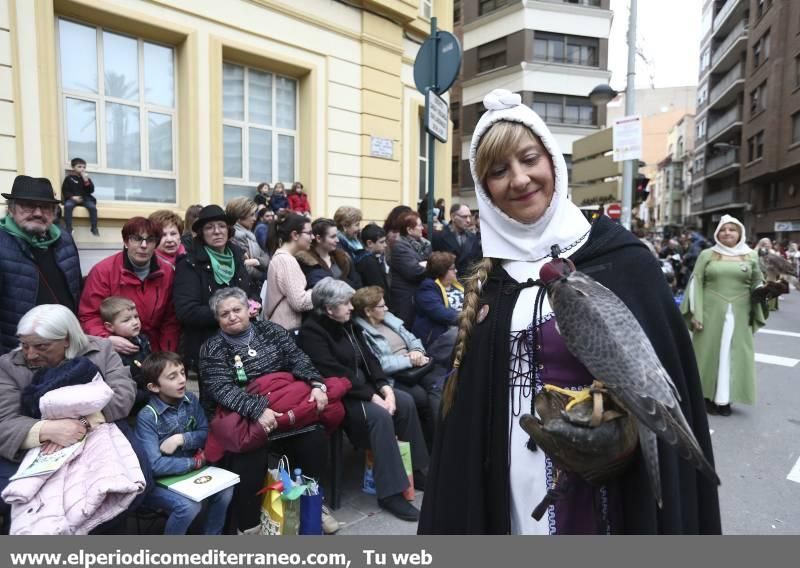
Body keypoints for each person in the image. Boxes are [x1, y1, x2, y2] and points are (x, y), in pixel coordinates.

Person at [418, 89, 720, 535]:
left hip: (603, 481)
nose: (519, 180)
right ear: (486, 191)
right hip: (507, 478)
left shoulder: (622, 260)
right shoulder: (489, 277)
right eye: (499, 171)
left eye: (529, 159)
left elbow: (661, 390)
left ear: (552, 163)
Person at [199, 287, 339, 534]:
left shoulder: (271, 331)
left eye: (236, 310)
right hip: (244, 415)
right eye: (224, 314)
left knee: (314, 437)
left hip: (286, 407)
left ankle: (312, 504)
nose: (232, 316)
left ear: (248, 310)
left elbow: (299, 359)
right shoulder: (213, 348)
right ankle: (250, 525)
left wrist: (317, 385)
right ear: (217, 319)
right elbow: (221, 389)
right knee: (250, 454)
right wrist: (257, 410)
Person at [297, 278, 428, 522]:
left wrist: (384, 388)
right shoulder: (312, 332)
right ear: (328, 308)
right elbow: (334, 371)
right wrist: (373, 396)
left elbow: (371, 360)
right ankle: (390, 492)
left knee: (405, 401)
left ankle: (415, 470)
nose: (351, 307)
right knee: (379, 417)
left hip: (366, 388)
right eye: (345, 303)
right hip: (341, 395)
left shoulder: (348, 324)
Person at [0, 305, 137, 528]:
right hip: (37, 450)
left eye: (41, 346)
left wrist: (84, 422)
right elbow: (4, 420)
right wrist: (48, 430)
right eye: (25, 346)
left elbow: (122, 395)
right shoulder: (8, 366)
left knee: (121, 489)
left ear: (66, 339)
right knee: (21, 501)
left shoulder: (100, 349)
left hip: (100, 437)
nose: (31, 354)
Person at [135, 352, 233, 535]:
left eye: (182, 372)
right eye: (172, 377)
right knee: (188, 507)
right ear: (154, 387)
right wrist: (193, 463)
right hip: (158, 482)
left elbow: (206, 434)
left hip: (190, 473)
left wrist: (181, 439)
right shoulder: (147, 417)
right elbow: (154, 465)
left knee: (226, 489)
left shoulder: (190, 400)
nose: (181, 380)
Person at [681, 215, 766, 417]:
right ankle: (705, 397)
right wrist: (697, 313)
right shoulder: (707, 254)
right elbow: (696, 283)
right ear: (717, 233)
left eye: (732, 229)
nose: (727, 233)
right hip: (710, 312)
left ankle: (725, 399)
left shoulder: (751, 255)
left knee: (734, 355)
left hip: (740, 312)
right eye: (723, 229)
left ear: (740, 233)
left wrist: (768, 292)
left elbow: (757, 283)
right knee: (707, 354)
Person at [351, 286, 443, 450]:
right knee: (420, 396)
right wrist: (409, 361)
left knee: (439, 385)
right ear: (368, 311)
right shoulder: (362, 332)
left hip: (416, 364)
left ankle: (440, 438)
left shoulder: (388, 318)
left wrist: (416, 351)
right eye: (381, 306)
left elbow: (412, 338)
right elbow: (379, 363)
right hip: (396, 375)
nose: (386, 308)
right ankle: (430, 445)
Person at [0, 176, 82, 355]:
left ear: (53, 212)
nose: (38, 213)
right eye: (28, 205)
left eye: (45, 207)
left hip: (65, 348)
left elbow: (77, 293)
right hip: (19, 353)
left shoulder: (65, 239)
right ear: (11, 209)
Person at [79, 217, 180, 354]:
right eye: (137, 239)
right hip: (116, 350)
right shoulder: (103, 271)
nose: (144, 245)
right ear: (126, 241)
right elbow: (89, 315)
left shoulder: (167, 272)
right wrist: (107, 339)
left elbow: (170, 320)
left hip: (154, 349)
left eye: (150, 240)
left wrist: (166, 355)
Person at [173, 205, 254, 373]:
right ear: (201, 233)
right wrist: (230, 314)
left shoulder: (237, 256)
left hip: (243, 344)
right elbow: (186, 311)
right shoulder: (190, 263)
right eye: (209, 227)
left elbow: (251, 292)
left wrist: (254, 304)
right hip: (209, 347)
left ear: (229, 230)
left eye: (221, 226)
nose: (217, 231)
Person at [263, 212, 314, 332]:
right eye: (309, 233)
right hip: (287, 329)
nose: (312, 237)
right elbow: (300, 302)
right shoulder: (287, 261)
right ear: (295, 235)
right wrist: (319, 291)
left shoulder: (281, 257)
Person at [100, 296, 151, 413]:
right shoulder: (113, 353)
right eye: (126, 320)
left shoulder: (143, 339)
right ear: (109, 326)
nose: (135, 322)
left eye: (136, 317)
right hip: (131, 405)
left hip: (148, 396)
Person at [412, 252, 462, 366]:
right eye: (452, 268)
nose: (456, 271)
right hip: (440, 338)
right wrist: (468, 318)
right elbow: (441, 313)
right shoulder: (427, 288)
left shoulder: (457, 284)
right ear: (442, 271)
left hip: (460, 330)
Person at [388, 211, 429, 328]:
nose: (422, 228)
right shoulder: (400, 247)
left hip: (417, 296)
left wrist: (424, 264)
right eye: (419, 225)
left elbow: (429, 262)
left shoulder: (423, 245)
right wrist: (427, 265)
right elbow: (414, 271)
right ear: (409, 230)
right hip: (405, 300)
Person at [297, 218, 361, 290]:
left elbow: (356, 284)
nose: (337, 240)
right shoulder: (305, 262)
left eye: (336, 236)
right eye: (332, 237)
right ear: (318, 238)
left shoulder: (342, 258)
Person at [227, 197, 271, 298]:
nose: (255, 219)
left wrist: (256, 261)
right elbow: (244, 267)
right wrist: (263, 276)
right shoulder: (234, 237)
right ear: (239, 216)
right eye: (251, 215)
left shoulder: (250, 235)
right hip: (243, 291)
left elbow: (266, 257)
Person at [432, 203, 482, 277]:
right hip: (447, 282)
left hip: (468, 282)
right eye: (464, 217)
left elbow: (477, 261)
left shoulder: (473, 238)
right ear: (453, 217)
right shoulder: (439, 237)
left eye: (469, 216)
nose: (468, 220)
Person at [61, 157, 99, 236]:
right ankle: (68, 228)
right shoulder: (69, 178)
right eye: (79, 167)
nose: (82, 169)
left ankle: (94, 227)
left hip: (85, 199)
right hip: (73, 198)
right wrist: (72, 197)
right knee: (68, 206)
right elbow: (65, 190)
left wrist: (86, 180)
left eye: (84, 167)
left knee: (92, 207)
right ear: (73, 167)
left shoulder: (86, 178)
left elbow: (91, 190)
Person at [355, 223, 390, 290]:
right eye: (381, 242)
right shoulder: (369, 262)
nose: (385, 245)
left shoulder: (364, 257)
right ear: (369, 243)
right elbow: (378, 288)